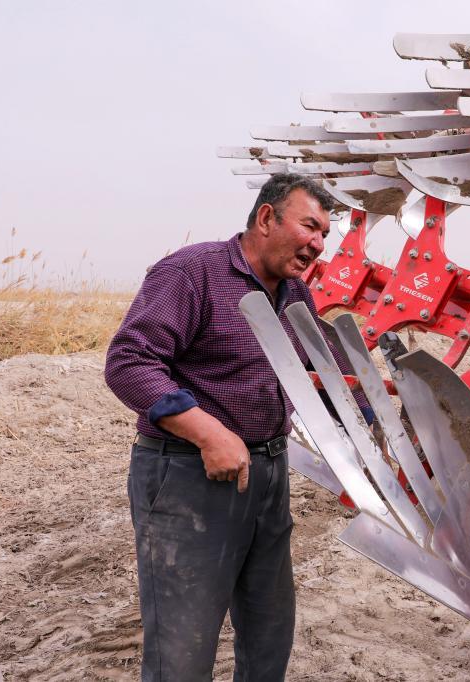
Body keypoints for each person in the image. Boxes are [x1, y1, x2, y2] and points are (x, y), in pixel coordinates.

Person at [105, 173, 368, 681]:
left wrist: (374, 422)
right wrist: (209, 433)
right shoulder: (192, 273)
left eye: (324, 234)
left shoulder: (294, 292)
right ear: (267, 218)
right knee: (183, 649)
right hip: (190, 478)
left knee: (269, 634)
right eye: (309, 227)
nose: (318, 244)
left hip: (268, 475)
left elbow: (320, 370)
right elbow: (129, 362)